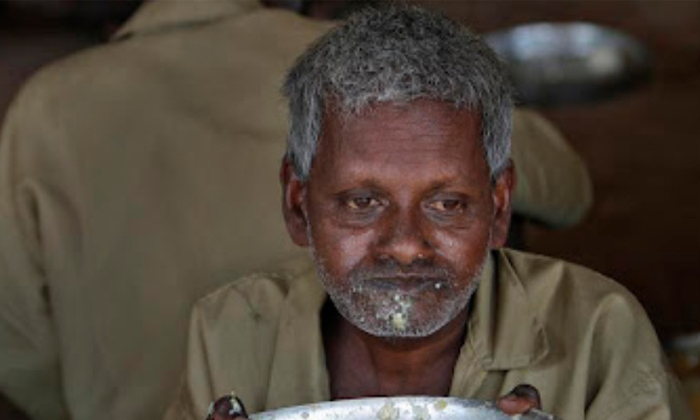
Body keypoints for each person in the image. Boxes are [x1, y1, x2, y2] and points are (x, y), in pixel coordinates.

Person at [0, 1, 592, 420]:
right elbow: (567, 188)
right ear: (295, 205)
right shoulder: (347, 74)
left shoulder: (47, 109)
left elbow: (18, 348)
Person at [162, 6, 691, 420]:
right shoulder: (231, 331)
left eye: (447, 204)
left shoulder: (599, 333)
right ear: (298, 205)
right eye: (362, 203)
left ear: (499, 208)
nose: (406, 244)